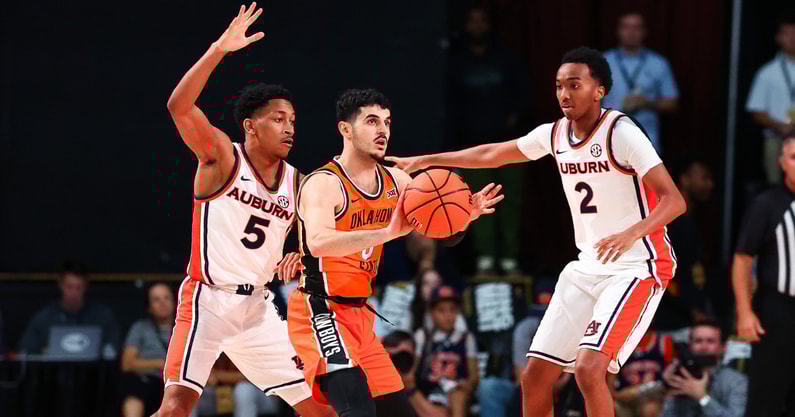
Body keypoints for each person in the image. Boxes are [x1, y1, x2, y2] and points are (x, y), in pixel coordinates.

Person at [387, 46, 686, 417]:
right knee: (534, 377)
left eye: (574, 84)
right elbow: (491, 155)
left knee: (589, 371)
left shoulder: (622, 133)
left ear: (599, 90)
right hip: (587, 265)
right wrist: (427, 160)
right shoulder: (556, 134)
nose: (564, 93)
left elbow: (675, 201)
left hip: (637, 267)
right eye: (559, 85)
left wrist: (630, 234)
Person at [157, 4, 331, 416]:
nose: (289, 127)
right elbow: (179, 108)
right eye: (277, 118)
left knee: (320, 409)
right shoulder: (222, 158)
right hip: (207, 299)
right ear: (251, 126)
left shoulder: (299, 183)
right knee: (175, 408)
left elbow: (321, 237)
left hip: (257, 310)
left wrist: (301, 256)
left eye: (292, 119)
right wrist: (219, 49)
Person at [287, 88, 501, 417]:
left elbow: (438, 233)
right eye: (372, 121)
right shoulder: (324, 183)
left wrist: (461, 216)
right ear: (345, 129)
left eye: (387, 122)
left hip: (362, 316)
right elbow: (317, 242)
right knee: (356, 410)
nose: (383, 130)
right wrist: (385, 232)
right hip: (321, 311)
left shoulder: (398, 181)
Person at [447, 6, 530, 275]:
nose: (478, 26)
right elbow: (451, 107)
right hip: (474, 147)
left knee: (511, 201)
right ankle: (485, 259)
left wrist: (513, 119)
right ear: (466, 25)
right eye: (473, 21)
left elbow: (524, 97)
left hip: (510, 145)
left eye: (483, 20)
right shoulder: (457, 63)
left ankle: (509, 258)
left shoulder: (507, 58)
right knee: (479, 201)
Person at [732, 135, 795, 417]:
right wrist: (745, 312)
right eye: (793, 157)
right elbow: (743, 258)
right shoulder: (768, 204)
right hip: (777, 310)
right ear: (782, 163)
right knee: (767, 395)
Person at [602, 12, 679, 154]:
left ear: (644, 32)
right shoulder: (603, 61)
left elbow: (672, 103)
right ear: (618, 31)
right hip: (609, 139)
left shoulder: (658, 63)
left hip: (647, 141)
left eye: (636, 28)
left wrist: (647, 103)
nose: (631, 32)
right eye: (626, 27)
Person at [655, 158, 714, 334]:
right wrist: (692, 310)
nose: (710, 184)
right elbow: (664, 270)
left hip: (691, 318)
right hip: (670, 320)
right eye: (704, 178)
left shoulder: (692, 220)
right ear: (685, 179)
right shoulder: (670, 222)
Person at [19, 261, 121, 357]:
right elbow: (26, 351)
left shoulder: (102, 316)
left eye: (78, 287)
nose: (74, 293)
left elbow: (113, 349)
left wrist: (98, 351)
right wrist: (46, 353)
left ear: (86, 287)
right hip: (54, 374)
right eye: (69, 287)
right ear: (60, 285)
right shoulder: (44, 318)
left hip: (91, 374)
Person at [660, 319, 747, 417]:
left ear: (723, 347)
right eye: (698, 341)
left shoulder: (736, 381)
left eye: (710, 341)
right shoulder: (681, 375)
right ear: (690, 345)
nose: (703, 347)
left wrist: (703, 398)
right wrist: (668, 388)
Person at [413, 286, 479, 417]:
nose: (448, 316)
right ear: (431, 313)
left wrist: (467, 384)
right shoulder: (423, 336)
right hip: (428, 391)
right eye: (441, 311)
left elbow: (474, 376)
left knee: (458, 397)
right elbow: (413, 371)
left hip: (456, 392)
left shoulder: (466, 338)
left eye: (452, 310)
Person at [746, 12, 795, 184]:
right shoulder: (768, 72)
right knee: (777, 186)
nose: (792, 38)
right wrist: (778, 126)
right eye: (788, 33)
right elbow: (756, 111)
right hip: (777, 139)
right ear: (778, 38)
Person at [121, 283, 177, 417]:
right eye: (156, 300)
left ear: (175, 302)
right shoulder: (140, 328)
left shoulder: (187, 327)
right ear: (149, 307)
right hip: (148, 381)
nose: (162, 303)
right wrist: (159, 364)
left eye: (166, 298)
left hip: (177, 383)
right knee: (133, 387)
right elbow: (127, 364)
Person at [611, 328, 674, 417]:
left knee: (649, 409)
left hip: (654, 394)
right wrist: (617, 395)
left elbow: (670, 379)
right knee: (612, 407)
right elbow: (610, 387)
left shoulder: (664, 341)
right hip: (626, 399)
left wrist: (639, 390)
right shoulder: (618, 344)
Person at [382, 330, 446, 417]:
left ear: (414, 357)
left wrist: (411, 388)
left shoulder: (428, 385)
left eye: (403, 357)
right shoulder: (370, 386)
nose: (398, 362)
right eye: (391, 357)